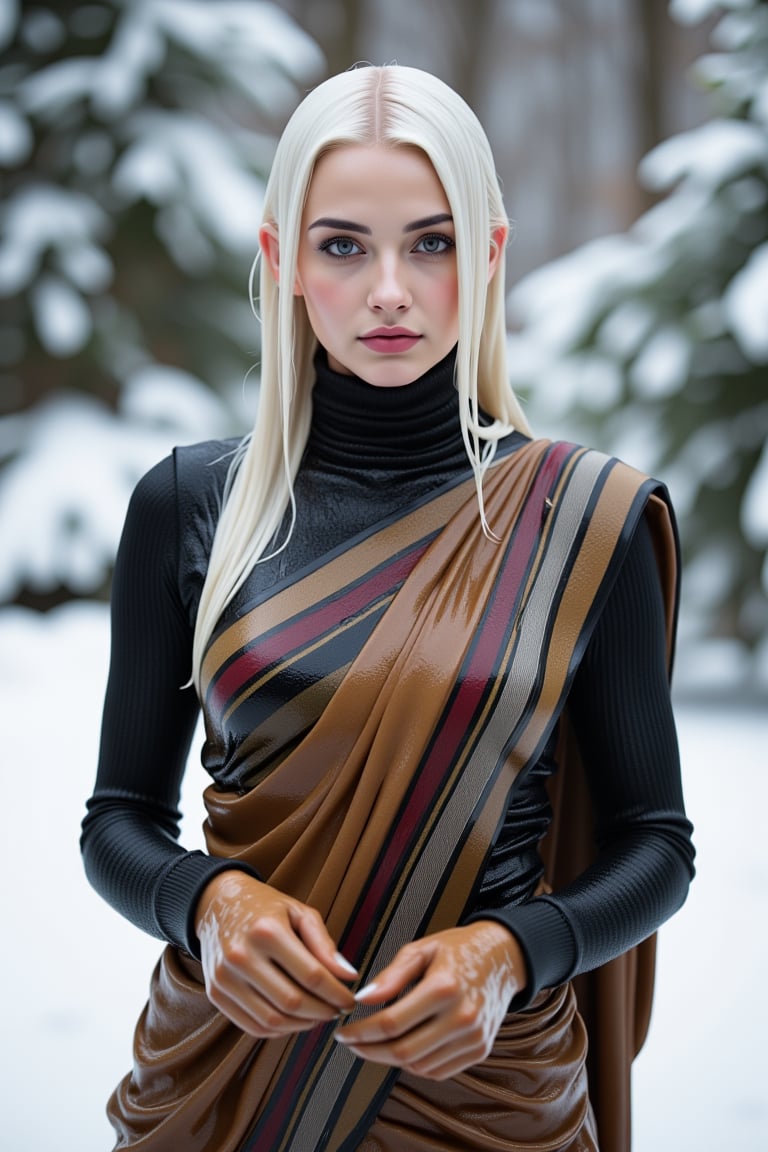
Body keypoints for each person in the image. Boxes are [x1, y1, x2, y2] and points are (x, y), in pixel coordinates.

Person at [81, 64, 695, 1152]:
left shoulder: (585, 520)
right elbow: (119, 822)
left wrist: (511, 953)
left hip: (488, 1095)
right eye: (343, 245)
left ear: (490, 255)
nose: (390, 293)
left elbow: (655, 845)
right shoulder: (187, 505)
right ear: (283, 262)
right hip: (224, 1088)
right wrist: (206, 906)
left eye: (433, 241)